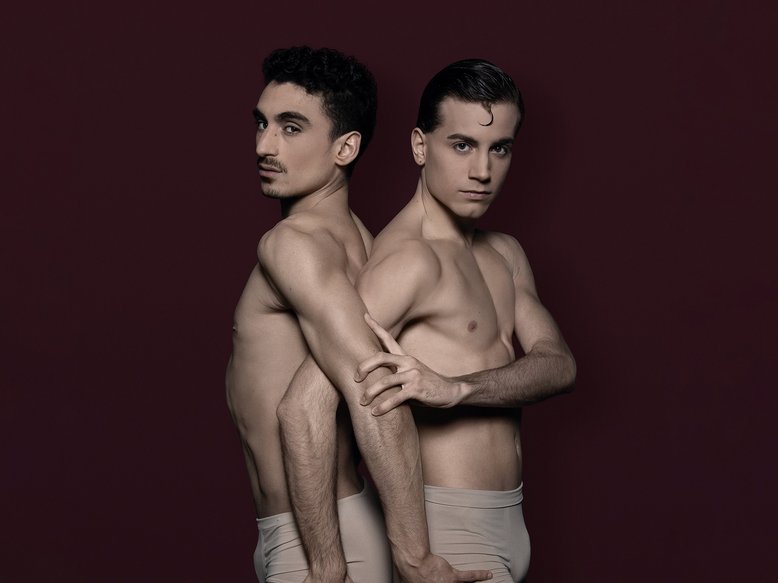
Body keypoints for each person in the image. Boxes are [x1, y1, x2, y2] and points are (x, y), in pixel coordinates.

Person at [281, 59, 576, 583]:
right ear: (420, 146)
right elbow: (304, 406)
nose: (482, 171)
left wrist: (457, 388)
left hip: (511, 522)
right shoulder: (409, 262)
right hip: (448, 531)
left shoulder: (505, 253)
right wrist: (327, 566)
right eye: (462, 145)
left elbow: (559, 366)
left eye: (499, 148)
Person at [226, 46, 492, 583]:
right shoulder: (366, 244)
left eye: (291, 128)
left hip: (318, 542)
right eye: (262, 123)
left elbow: (375, 391)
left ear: (345, 147)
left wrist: (396, 558)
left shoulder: (293, 242)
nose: (264, 145)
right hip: (335, 529)